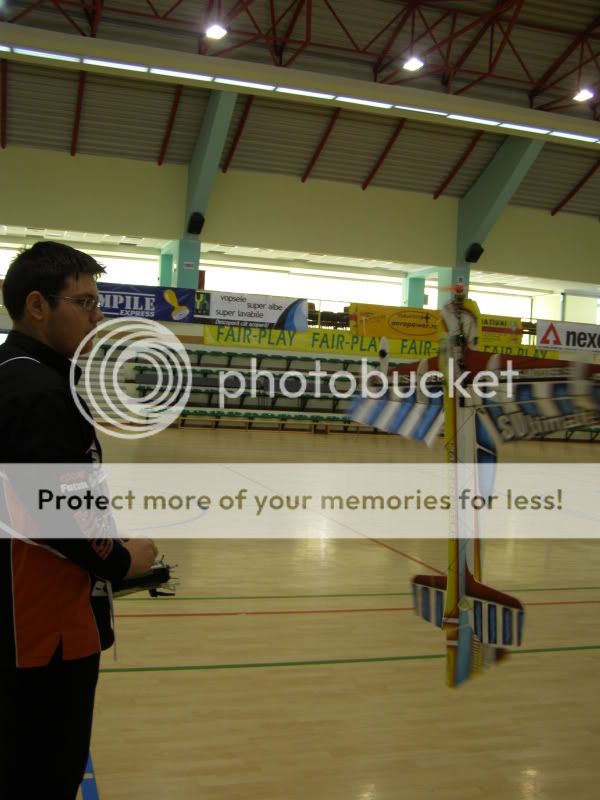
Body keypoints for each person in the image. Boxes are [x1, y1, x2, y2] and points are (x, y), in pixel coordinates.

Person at [0, 241, 157, 798]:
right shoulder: (39, 391)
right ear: (37, 306)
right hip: (43, 629)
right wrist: (121, 559)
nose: (98, 316)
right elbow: (58, 511)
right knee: (46, 771)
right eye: (85, 303)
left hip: (27, 617)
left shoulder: (16, 372)